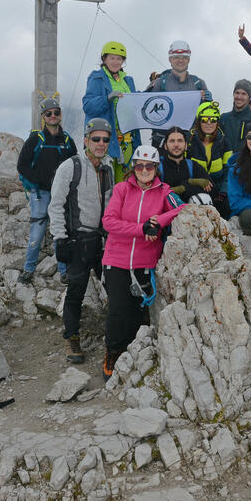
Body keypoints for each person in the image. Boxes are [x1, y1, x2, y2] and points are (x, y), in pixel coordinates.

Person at [101, 145, 185, 380]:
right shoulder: (121, 189)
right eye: (140, 165)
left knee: (138, 312)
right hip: (116, 259)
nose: (144, 170)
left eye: (149, 166)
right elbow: (109, 221)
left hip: (145, 261)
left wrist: (158, 220)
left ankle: (133, 353)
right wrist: (141, 228)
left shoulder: (164, 191)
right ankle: (113, 352)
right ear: (133, 168)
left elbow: (182, 207)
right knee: (118, 309)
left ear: (156, 168)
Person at [48, 118, 116, 364]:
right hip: (76, 240)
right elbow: (55, 205)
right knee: (76, 290)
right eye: (95, 139)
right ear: (86, 140)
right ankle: (71, 337)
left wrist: (111, 235)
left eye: (105, 139)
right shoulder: (70, 166)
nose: (100, 143)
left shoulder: (108, 167)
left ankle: (118, 334)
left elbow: (110, 205)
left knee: (113, 286)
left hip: (100, 240)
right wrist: (60, 238)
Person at [16, 95, 78, 284]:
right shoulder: (36, 139)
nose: (53, 116)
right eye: (49, 113)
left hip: (62, 194)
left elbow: (75, 165)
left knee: (61, 231)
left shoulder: (67, 140)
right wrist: (41, 181)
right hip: (41, 193)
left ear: (60, 115)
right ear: (43, 116)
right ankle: (28, 268)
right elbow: (22, 165)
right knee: (38, 231)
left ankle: (63, 270)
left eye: (56, 113)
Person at [82, 41, 137, 180]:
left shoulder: (128, 80)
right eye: (112, 58)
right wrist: (107, 99)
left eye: (119, 58)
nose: (116, 62)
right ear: (104, 59)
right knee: (104, 183)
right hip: (105, 139)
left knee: (124, 182)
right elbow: (88, 106)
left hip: (127, 139)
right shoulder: (97, 77)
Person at [144, 40, 213, 147]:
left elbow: (207, 115)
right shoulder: (159, 83)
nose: (181, 60)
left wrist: (209, 103)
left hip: (191, 143)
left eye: (184, 57)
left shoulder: (198, 84)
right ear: (170, 59)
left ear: (189, 60)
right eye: (176, 57)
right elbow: (145, 108)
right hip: (163, 143)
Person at [187, 101, 233, 217]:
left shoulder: (224, 143)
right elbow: (184, 169)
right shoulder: (189, 142)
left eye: (213, 120)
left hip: (218, 192)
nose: (209, 123)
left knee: (226, 208)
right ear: (198, 122)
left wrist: (223, 192)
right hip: (195, 190)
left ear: (217, 123)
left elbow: (229, 170)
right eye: (204, 120)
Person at [158, 126, 212, 201]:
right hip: (166, 211)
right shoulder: (157, 167)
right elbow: (156, 193)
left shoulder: (193, 166)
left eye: (180, 141)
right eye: (172, 141)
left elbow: (210, 188)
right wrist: (188, 186)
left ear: (186, 145)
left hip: (191, 210)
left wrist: (187, 183)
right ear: (165, 146)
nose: (176, 145)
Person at [219, 79, 251, 151]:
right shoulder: (224, 119)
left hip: (248, 161)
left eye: (243, 94)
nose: (239, 97)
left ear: (249, 97)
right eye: (237, 93)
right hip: (227, 162)